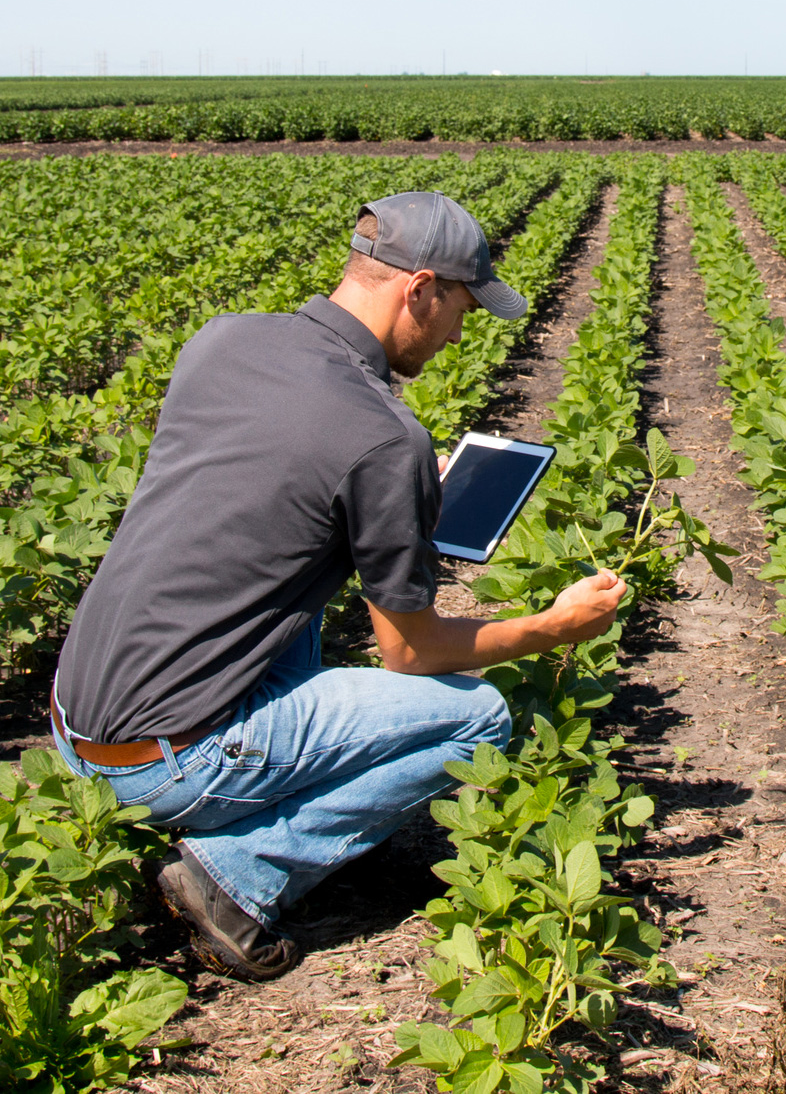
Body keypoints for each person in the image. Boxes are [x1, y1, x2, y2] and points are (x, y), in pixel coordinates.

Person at [50, 191, 627, 982]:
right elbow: (409, 653)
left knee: (297, 603)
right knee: (477, 718)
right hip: (162, 760)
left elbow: (265, 496)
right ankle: (237, 876)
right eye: (461, 305)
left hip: (75, 720)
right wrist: (553, 626)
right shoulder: (385, 438)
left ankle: (220, 789)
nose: (461, 331)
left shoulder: (223, 340)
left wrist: (399, 504)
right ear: (419, 288)